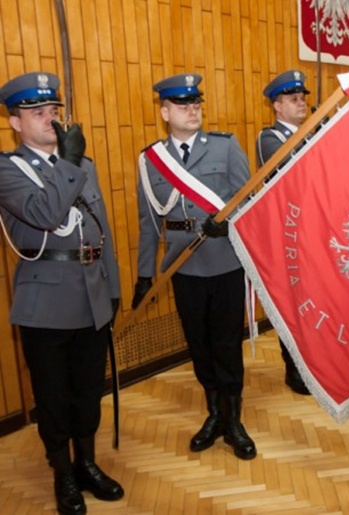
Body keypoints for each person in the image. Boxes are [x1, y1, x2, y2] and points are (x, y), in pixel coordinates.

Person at [0, 72, 123, 514]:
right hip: (45, 304)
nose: (50, 120)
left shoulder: (82, 165)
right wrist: (68, 164)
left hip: (91, 294)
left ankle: (87, 462)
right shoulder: (7, 168)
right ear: (15, 122)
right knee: (53, 398)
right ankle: (63, 473)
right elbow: (46, 215)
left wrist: (113, 285)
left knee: (89, 390)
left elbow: (101, 230)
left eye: (53, 111)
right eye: (38, 113)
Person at [131, 73, 256, 460]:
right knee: (199, 345)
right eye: (182, 105)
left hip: (225, 260)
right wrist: (144, 272)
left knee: (226, 342)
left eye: (196, 103)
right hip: (182, 266)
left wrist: (230, 222)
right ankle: (214, 414)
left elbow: (249, 201)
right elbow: (148, 219)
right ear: (165, 111)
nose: (192, 109)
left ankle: (234, 420)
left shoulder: (225, 146)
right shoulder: (151, 160)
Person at [256, 69, 313, 395]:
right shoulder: (269, 139)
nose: (301, 102)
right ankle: (294, 367)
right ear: (277, 106)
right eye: (293, 99)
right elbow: (292, 172)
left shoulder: (308, 132)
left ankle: (312, 361)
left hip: (313, 235)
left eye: (303, 97)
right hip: (289, 238)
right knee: (292, 306)